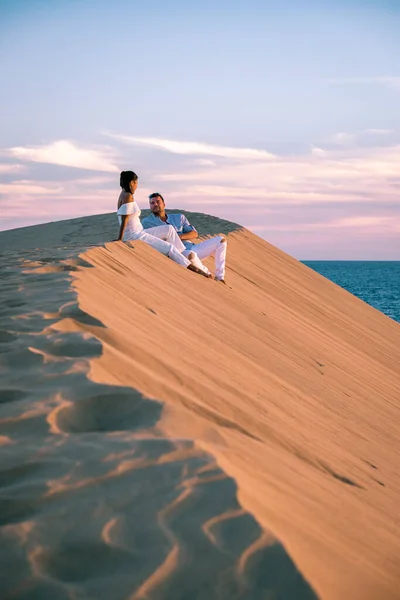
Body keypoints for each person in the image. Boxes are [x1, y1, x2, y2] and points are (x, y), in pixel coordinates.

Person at [116, 171, 209, 276]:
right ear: (131, 182)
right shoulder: (128, 196)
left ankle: (182, 253)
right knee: (170, 248)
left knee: (169, 229)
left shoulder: (123, 194)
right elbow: (125, 219)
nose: (137, 186)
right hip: (135, 235)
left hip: (139, 231)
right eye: (136, 183)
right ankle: (193, 268)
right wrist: (120, 238)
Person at [142, 193, 227, 282]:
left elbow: (194, 234)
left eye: (158, 202)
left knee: (221, 240)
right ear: (150, 206)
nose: (155, 204)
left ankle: (220, 277)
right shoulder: (146, 222)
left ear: (164, 204)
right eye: (152, 203)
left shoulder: (179, 217)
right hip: (178, 253)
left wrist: (178, 237)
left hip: (192, 247)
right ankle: (208, 274)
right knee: (191, 255)